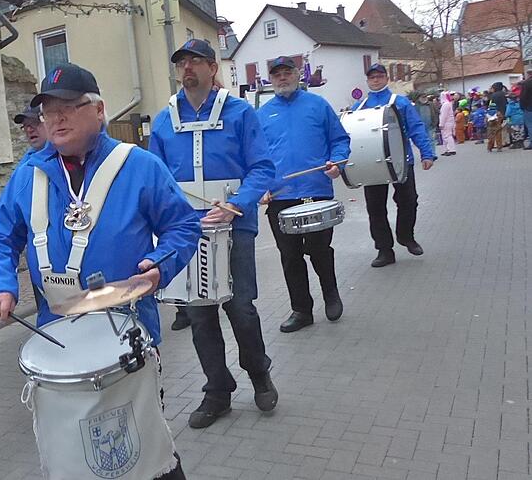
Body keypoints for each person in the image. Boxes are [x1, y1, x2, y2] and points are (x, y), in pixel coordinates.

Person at [0, 62, 200, 480]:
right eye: (48, 110)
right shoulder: (29, 174)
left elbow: (183, 226)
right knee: (80, 457)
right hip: (60, 342)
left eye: (68, 107)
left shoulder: (139, 166)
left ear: (98, 111)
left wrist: (160, 265)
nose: (56, 118)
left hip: (126, 333)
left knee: (145, 447)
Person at [148, 39, 279, 429]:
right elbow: (155, 178)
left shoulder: (239, 113)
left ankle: (259, 374)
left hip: (234, 225)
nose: (187, 68)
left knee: (240, 307)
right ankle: (217, 390)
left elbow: (262, 167)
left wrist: (235, 203)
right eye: (181, 63)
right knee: (199, 314)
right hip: (187, 231)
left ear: (212, 66)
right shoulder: (163, 120)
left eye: (194, 61)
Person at [255, 56, 351, 333]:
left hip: (316, 192)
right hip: (280, 197)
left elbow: (340, 140)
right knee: (290, 256)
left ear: (298, 75)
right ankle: (302, 310)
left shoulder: (318, 105)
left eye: (287, 73)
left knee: (319, 250)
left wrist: (337, 162)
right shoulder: (261, 115)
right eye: (277, 75)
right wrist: (261, 187)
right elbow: (254, 156)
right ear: (270, 80)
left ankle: (331, 294)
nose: (282, 78)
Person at [356, 64, 436, 268]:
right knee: (375, 209)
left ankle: (406, 236)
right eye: (372, 77)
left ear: (386, 79)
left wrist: (427, 153)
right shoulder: (360, 106)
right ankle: (384, 250)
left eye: (380, 76)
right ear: (367, 81)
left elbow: (416, 127)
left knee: (409, 201)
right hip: (372, 163)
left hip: (401, 160)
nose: (376, 80)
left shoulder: (399, 102)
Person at [439, 91, 458, 156]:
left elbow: (443, 115)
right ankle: (447, 149)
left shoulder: (445, 105)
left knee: (447, 136)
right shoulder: (448, 103)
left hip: (446, 123)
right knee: (446, 136)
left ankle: (451, 149)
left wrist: (441, 124)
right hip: (449, 122)